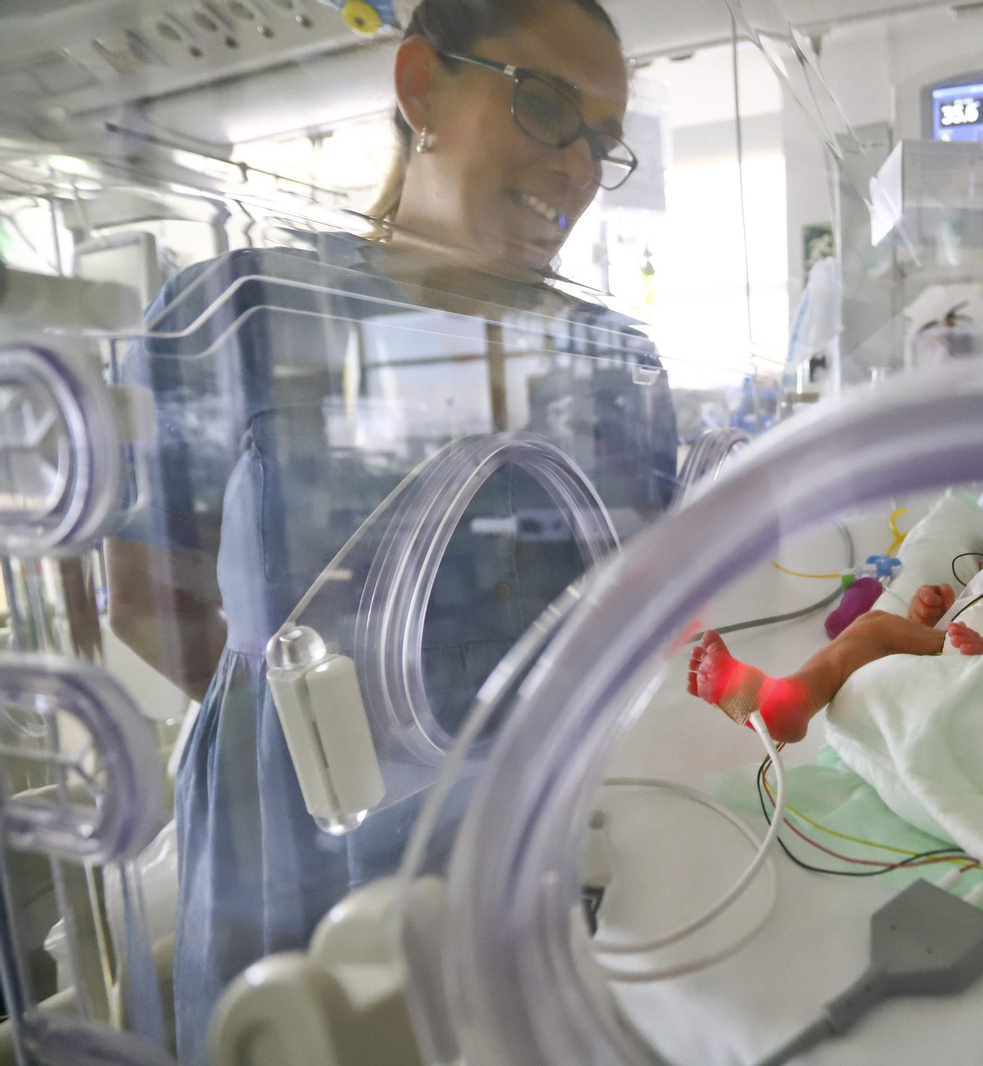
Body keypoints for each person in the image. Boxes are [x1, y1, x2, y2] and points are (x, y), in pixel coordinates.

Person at [104, 1, 672, 1059]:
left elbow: (642, 615)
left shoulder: (613, 359)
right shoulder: (252, 312)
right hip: (296, 850)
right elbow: (144, 599)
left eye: (605, 138)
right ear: (420, 88)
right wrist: (314, 740)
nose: (578, 167)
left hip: (535, 841)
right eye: (548, 107)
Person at [687, 501, 983, 744]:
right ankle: (790, 699)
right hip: (977, 641)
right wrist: (929, 610)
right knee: (875, 629)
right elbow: (951, 627)